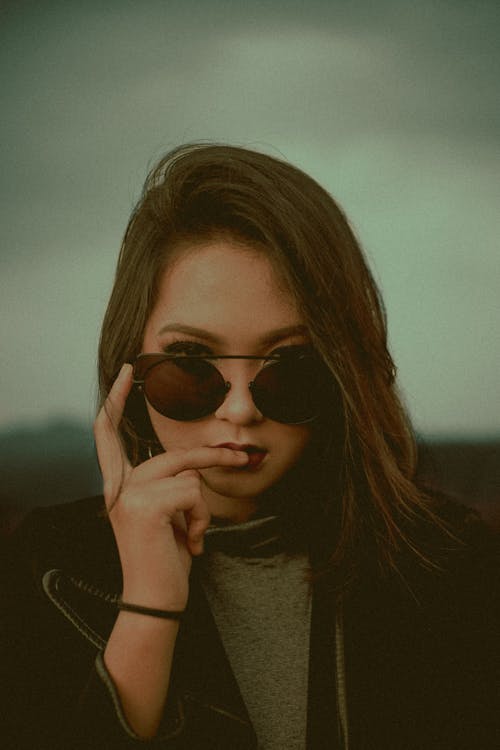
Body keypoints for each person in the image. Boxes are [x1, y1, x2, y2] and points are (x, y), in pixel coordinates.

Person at [1, 143, 498, 750]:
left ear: (345, 371)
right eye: (189, 363)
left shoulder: (452, 565)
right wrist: (148, 607)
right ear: (127, 367)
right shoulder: (46, 567)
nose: (240, 409)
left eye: (290, 365)